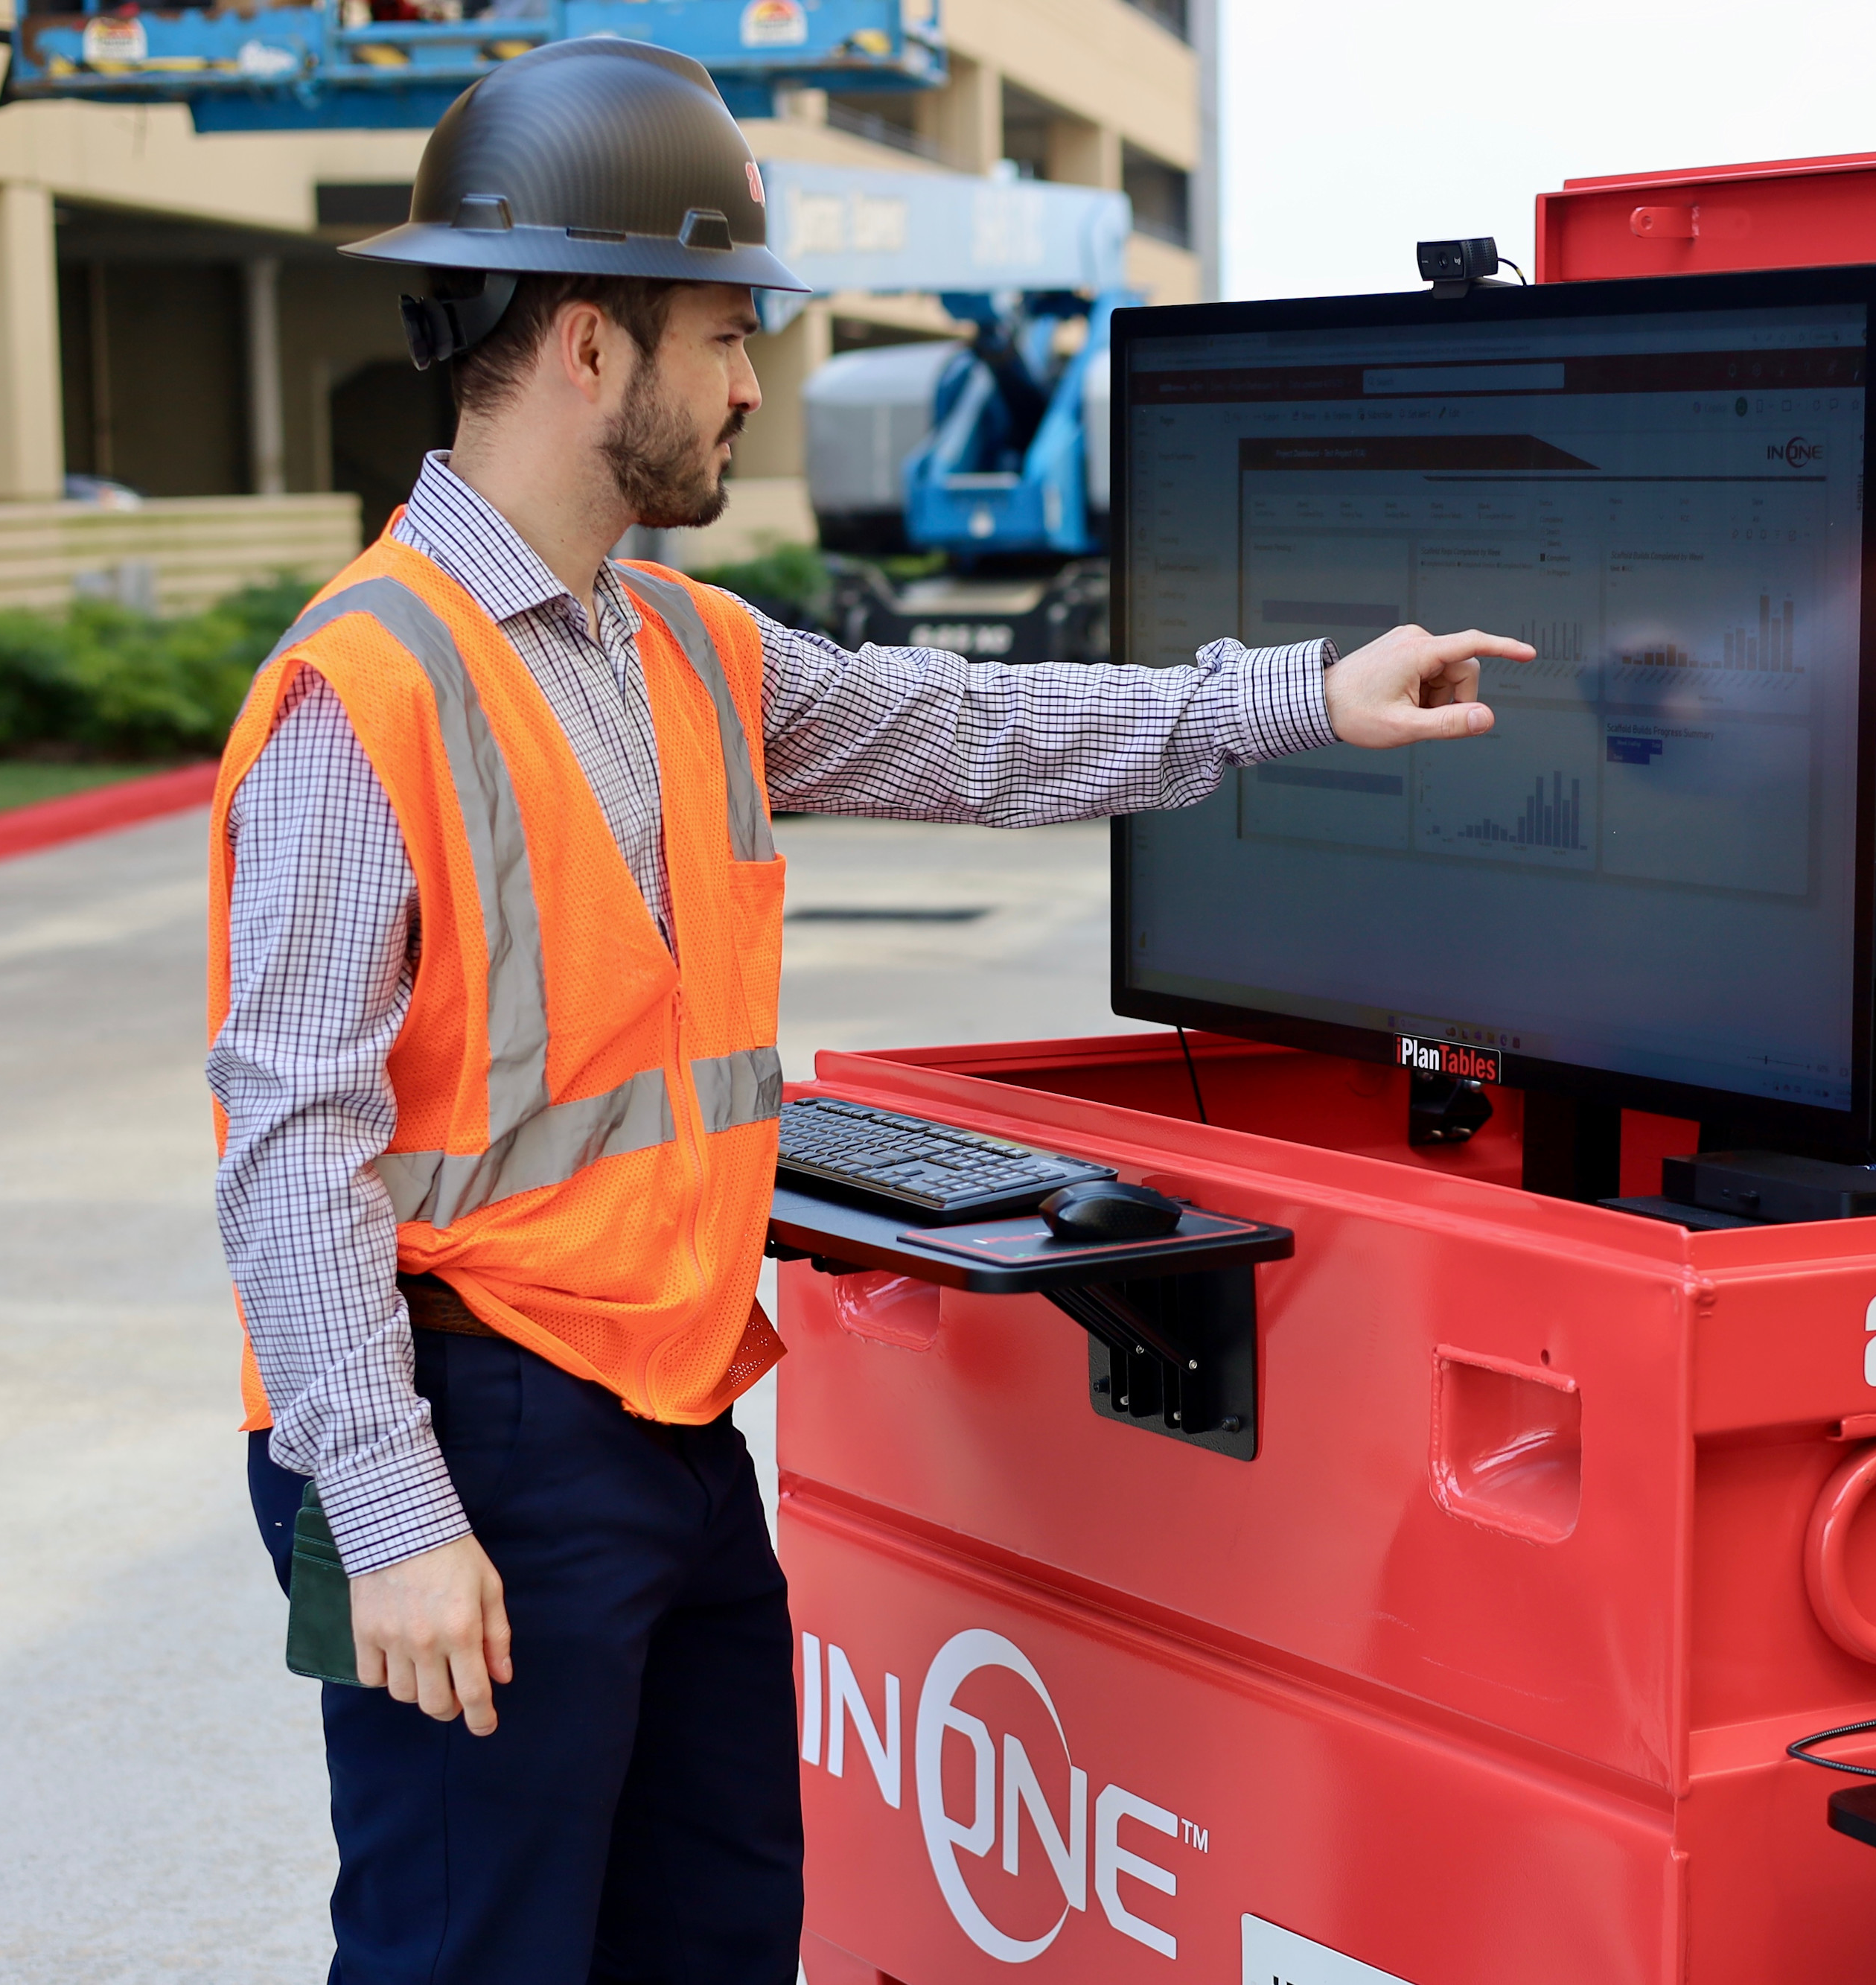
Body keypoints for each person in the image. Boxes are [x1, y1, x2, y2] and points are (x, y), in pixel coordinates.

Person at [205, 37, 1522, 1984]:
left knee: (723, 1925)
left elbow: (984, 730)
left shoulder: (681, 643)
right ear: (589, 343)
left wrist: (1298, 699)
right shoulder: (365, 690)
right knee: (466, 1950)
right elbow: (288, 1152)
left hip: (661, 1401)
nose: (756, 384)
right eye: (727, 334)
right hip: (458, 1419)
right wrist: (389, 1514)